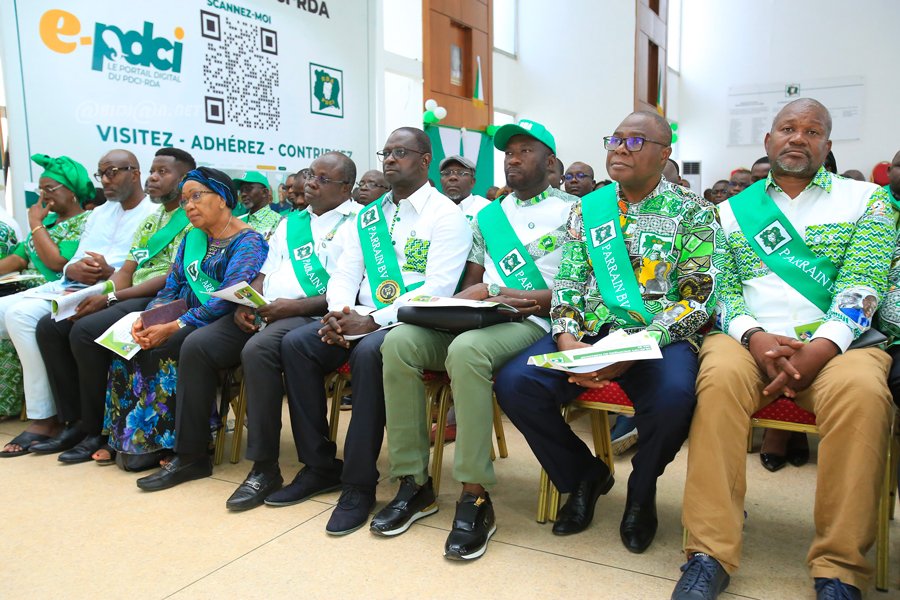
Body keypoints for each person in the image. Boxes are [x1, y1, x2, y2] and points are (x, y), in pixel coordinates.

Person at [673, 99, 896, 600]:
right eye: (788, 129)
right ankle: (708, 553)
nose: (799, 137)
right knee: (717, 380)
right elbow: (721, 290)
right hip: (751, 341)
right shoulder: (729, 211)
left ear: (827, 145)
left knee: (864, 394)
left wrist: (820, 348)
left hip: (840, 344)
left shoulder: (868, 200)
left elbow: (865, 284)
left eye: (812, 131)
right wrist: (753, 336)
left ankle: (839, 569)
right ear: (769, 141)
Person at [495, 111, 723, 555]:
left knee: (675, 398)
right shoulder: (587, 209)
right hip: (591, 333)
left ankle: (642, 488)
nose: (620, 149)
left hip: (658, 337)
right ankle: (583, 475)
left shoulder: (695, 211)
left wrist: (639, 346)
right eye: (615, 140)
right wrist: (566, 336)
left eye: (635, 142)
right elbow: (569, 281)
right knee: (516, 383)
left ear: (664, 154)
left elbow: (699, 295)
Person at [373, 120, 575, 559]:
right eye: (509, 153)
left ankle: (474, 494)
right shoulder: (489, 215)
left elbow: (574, 291)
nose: (513, 159)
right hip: (483, 317)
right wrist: (462, 303)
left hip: (534, 320)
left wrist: (499, 293)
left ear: (550, 162)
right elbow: (473, 281)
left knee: (466, 352)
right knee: (400, 342)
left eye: (524, 151)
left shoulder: (575, 211)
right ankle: (413, 482)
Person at [263, 127, 471, 536]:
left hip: (413, 321)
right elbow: (346, 272)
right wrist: (339, 313)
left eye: (401, 152)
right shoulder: (370, 215)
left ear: (425, 160)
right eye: (386, 152)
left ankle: (358, 485)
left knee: (368, 353)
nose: (390, 159)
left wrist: (374, 320)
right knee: (297, 344)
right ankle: (319, 466)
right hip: (359, 315)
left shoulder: (446, 215)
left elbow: (438, 289)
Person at [138, 153, 360, 501]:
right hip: (266, 308)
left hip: (311, 313)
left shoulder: (358, 223)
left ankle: (264, 468)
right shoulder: (291, 223)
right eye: (309, 176)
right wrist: (247, 302)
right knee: (197, 345)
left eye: (322, 178)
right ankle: (191, 455)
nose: (310, 184)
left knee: (258, 351)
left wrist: (292, 308)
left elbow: (349, 286)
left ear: (346, 188)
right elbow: (263, 271)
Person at [32, 148, 196, 464]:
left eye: (162, 172)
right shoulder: (152, 219)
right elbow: (125, 271)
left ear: (185, 179)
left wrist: (109, 298)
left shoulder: (190, 219)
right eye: (153, 171)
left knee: (85, 332)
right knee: (51, 324)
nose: (153, 177)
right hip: (130, 291)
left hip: (163, 297)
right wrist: (99, 294)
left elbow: (168, 277)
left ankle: (97, 430)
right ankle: (74, 421)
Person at [1, 150, 156, 456]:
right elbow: (72, 261)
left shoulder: (153, 213)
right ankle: (68, 418)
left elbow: (143, 269)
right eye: (101, 174)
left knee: (32, 320)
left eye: (112, 172)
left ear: (135, 173)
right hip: (72, 286)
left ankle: (51, 418)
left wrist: (108, 273)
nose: (105, 180)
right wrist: (74, 269)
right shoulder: (99, 213)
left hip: (113, 288)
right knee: (26, 319)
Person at [118, 168, 268, 479]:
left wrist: (174, 326)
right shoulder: (192, 237)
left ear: (222, 198)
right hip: (186, 317)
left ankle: (185, 448)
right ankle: (141, 441)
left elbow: (226, 298)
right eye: (185, 200)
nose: (188, 206)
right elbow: (170, 287)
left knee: (175, 345)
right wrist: (151, 318)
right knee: (136, 342)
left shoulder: (249, 241)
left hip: (228, 320)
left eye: (196, 196)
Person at [0, 154, 91, 427]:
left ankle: (43, 412)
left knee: (17, 316)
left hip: (55, 292)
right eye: (41, 190)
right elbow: (17, 260)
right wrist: (40, 225)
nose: (44, 196)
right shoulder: (46, 223)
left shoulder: (87, 222)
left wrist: (35, 224)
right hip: (21, 290)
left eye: (50, 189)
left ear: (72, 191)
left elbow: (58, 263)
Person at [439, 155, 489, 221]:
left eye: (461, 173)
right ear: (441, 181)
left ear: (472, 182)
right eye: (447, 173)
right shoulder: (432, 209)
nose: (453, 177)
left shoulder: (487, 209)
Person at [234, 171, 282, 240]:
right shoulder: (237, 222)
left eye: (248, 189)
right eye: (241, 190)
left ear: (264, 192)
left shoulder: (278, 222)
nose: (243, 194)